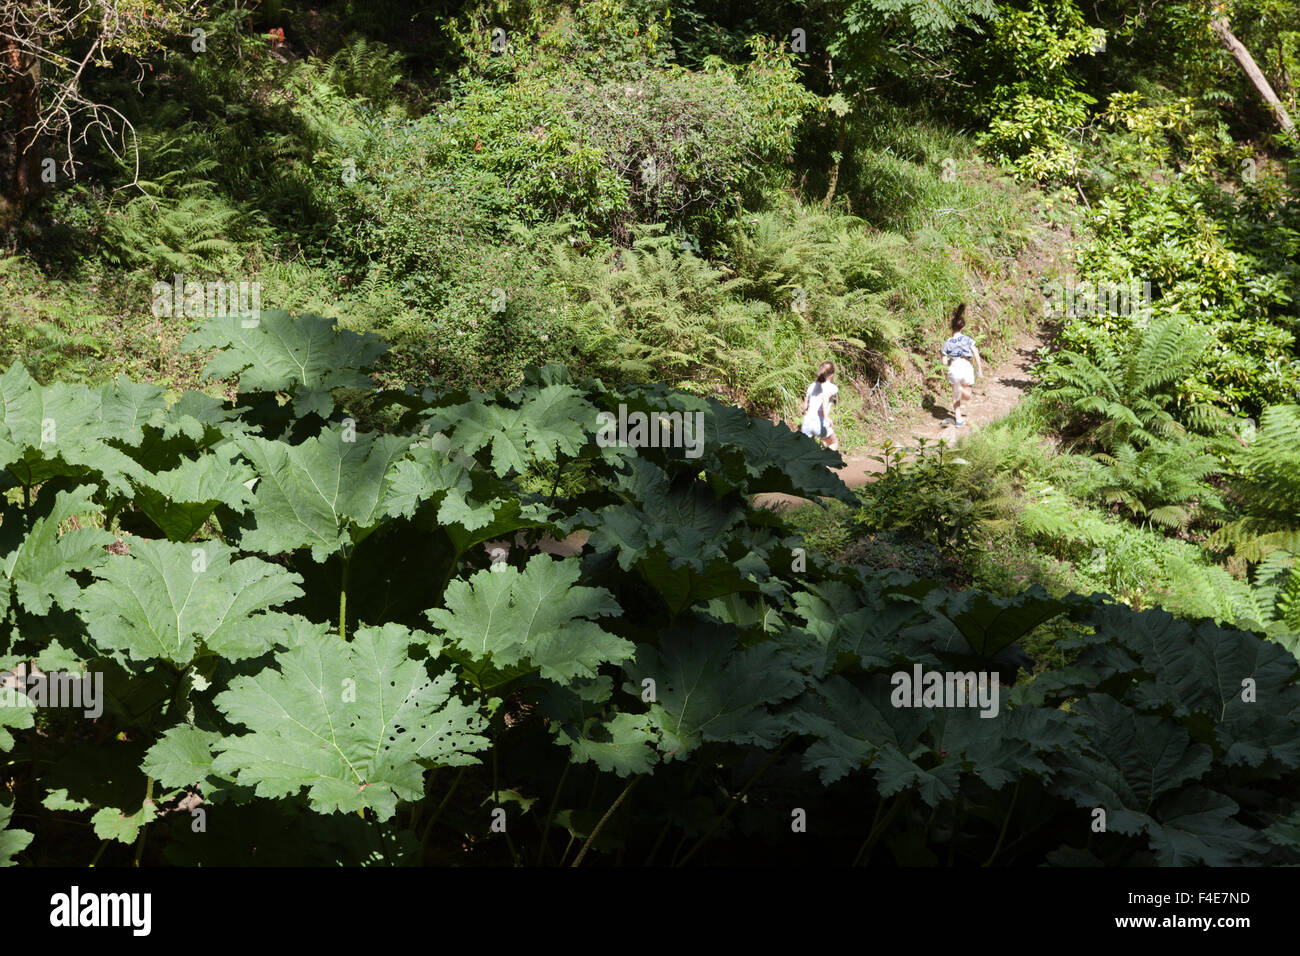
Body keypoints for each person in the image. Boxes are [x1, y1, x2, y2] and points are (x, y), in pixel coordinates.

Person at [941, 303, 983, 427]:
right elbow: (975, 351)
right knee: (967, 395)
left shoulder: (947, 342)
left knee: (955, 396)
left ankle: (958, 420)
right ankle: (961, 390)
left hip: (954, 366)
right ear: (963, 327)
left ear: (951, 327)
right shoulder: (967, 339)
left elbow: (944, 361)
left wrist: (949, 365)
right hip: (966, 366)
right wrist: (979, 368)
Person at [799, 361, 839, 451]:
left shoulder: (812, 386)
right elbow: (825, 398)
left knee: (805, 450)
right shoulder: (832, 387)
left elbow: (804, 406)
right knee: (834, 443)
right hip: (820, 422)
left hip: (807, 422)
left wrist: (806, 414)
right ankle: (823, 461)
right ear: (832, 374)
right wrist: (826, 417)